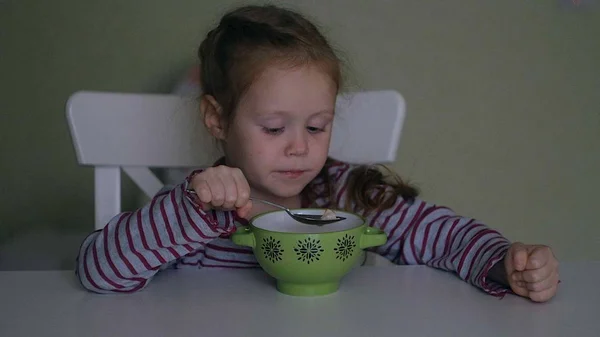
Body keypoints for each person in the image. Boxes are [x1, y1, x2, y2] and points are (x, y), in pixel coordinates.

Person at [75, 4, 559, 302]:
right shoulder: (198, 207)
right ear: (217, 119)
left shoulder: (347, 193)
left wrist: (502, 261)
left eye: (317, 125)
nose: (300, 146)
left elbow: (438, 236)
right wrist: (189, 211)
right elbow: (98, 272)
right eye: (273, 127)